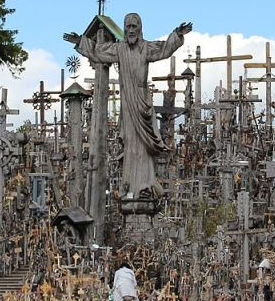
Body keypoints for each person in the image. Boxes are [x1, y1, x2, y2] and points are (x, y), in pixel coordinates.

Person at [65, 14, 192, 201]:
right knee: (131, 143)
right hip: (127, 103)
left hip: (142, 101)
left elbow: (164, 49)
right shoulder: (119, 49)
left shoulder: (146, 48)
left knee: (144, 147)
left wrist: (177, 35)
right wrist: (81, 42)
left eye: (134, 26)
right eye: (128, 27)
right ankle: (130, 185)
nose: (131, 30)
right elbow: (99, 51)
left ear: (140, 28)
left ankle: (146, 184)